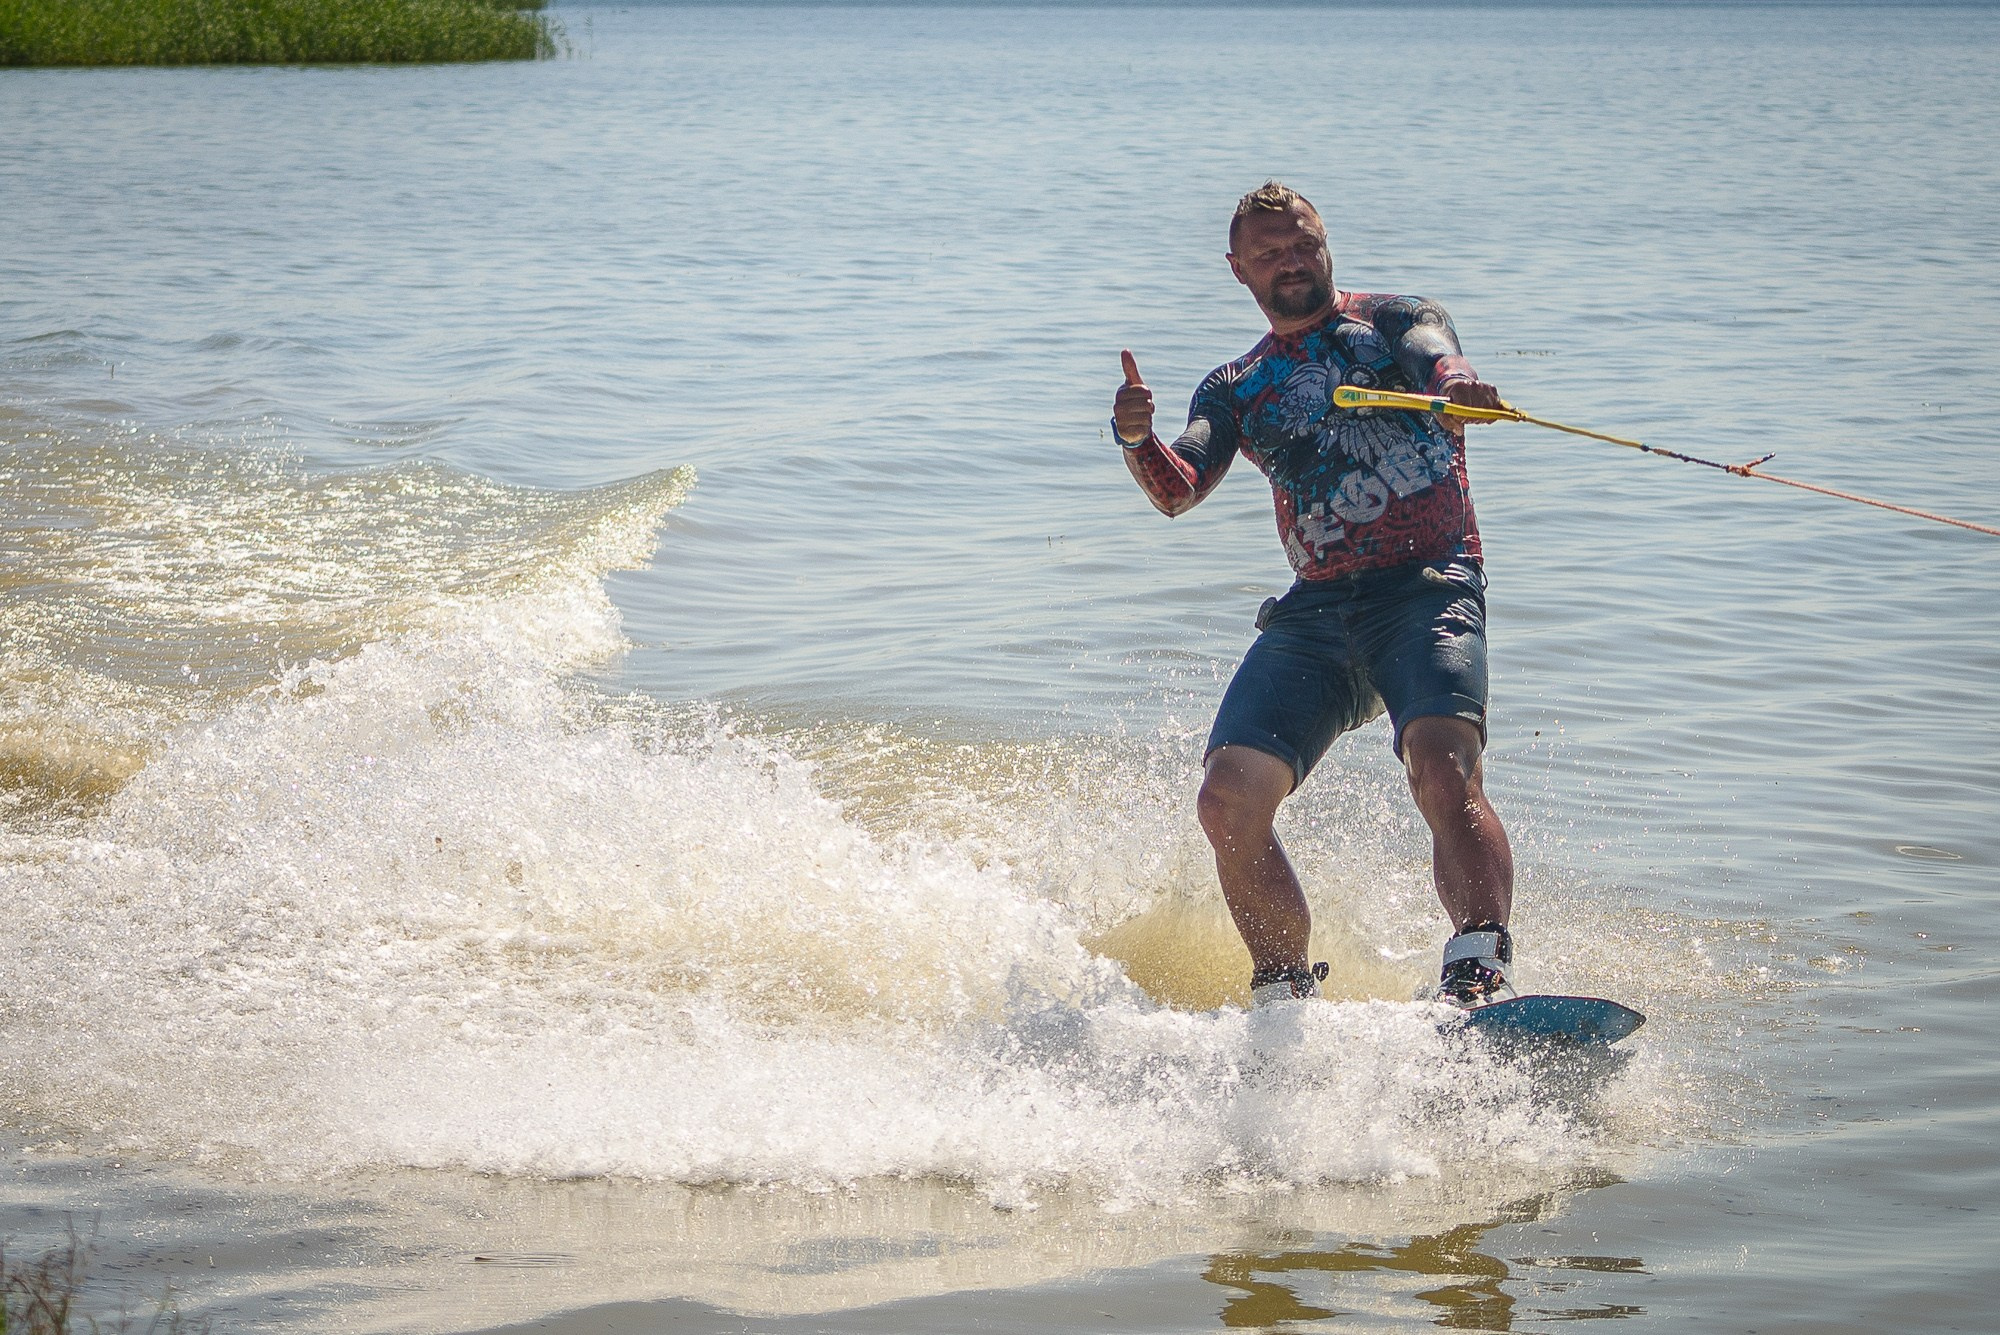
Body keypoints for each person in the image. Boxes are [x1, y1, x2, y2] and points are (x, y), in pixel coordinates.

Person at [1111, 181, 1517, 1009]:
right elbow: (1178, 487)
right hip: (1317, 611)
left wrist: (1460, 383)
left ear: (1324, 241)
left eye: (1302, 243)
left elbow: (1440, 353)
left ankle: (1477, 970)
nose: (1289, 261)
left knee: (1440, 766)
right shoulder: (1234, 386)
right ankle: (1283, 992)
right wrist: (1134, 438)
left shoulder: (1395, 320)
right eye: (1268, 253)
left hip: (1427, 587)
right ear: (1238, 270)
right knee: (1227, 797)